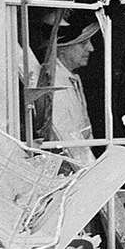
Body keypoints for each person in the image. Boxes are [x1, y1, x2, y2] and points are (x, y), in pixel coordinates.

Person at [40, 11, 100, 167]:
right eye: (83, 43)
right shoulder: (53, 83)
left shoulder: (70, 78)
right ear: (61, 48)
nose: (91, 49)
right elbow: (67, 138)